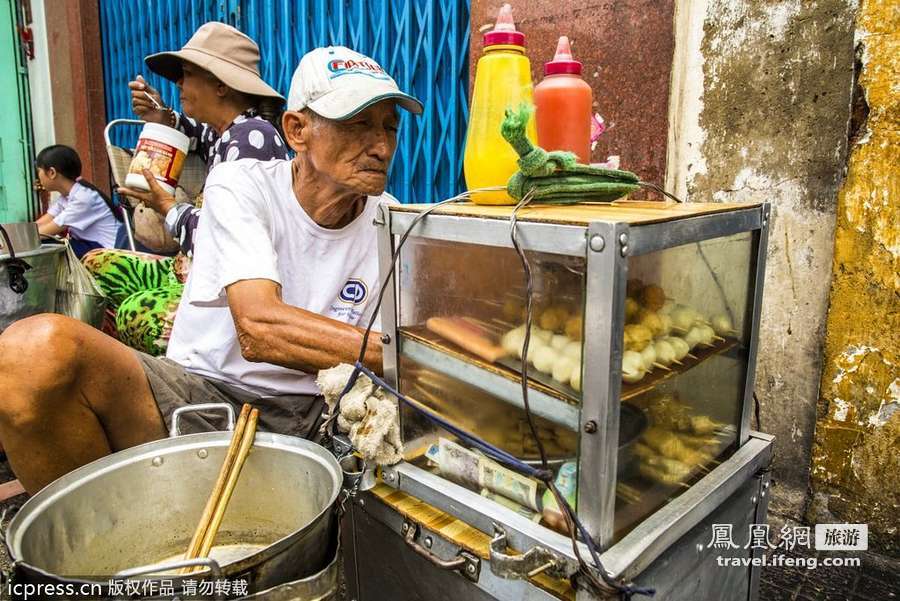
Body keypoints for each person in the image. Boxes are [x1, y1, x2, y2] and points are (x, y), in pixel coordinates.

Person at [0, 46, 423, 494]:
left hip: (313, 414)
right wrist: (420, 357)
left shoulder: (391, 219)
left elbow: (384, 357)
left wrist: (419, 360)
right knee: (31, 354)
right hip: (203, 396)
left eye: (390, 129)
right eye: (358, 126)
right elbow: (259, 328)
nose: (381, 147)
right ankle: (99, 554)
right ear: (297, 130)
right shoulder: (243, 183)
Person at [82, 21, 288, 356]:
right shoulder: (225, 131)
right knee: (95, 264)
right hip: (190, 268)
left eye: (187, 74)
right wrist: (160, 115)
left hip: (225, 291)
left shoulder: (252, 140)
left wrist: (166, 206)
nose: (179, 82)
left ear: (220, 85)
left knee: (136, 314)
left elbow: (223, 245)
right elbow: (191, 132)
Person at [34, 145, 121, 258]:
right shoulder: (67, 195)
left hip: (109, 253)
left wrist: (12, 242)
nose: (38, 178)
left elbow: (44, 232)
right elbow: (40, 224)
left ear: (51, 173)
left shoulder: (83, 198)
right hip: (91, 246)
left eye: (39, 171)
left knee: (47, 247)